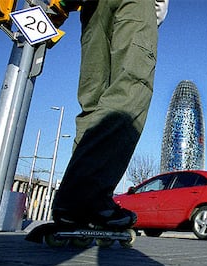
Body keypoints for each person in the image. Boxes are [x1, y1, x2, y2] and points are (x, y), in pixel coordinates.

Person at [51, 0, 169, 229]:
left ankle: (75, 201)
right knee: (131, 87)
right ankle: (85, 199)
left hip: (91, 6)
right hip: (133, 4)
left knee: (93, 102)